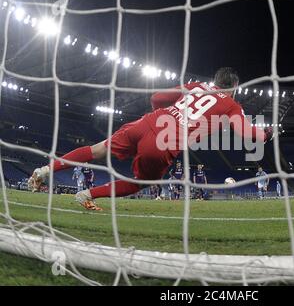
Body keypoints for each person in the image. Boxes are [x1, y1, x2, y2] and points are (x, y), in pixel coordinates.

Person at [28, 67, 273, 210]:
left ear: (216, 80)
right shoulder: (231, 105)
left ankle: (44, 170)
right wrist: (267, 134)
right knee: (140, 183)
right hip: (164, 141)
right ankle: (88, 195)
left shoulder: (197, 85)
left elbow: (157, 97)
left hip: (148, 121)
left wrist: (170, 112)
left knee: (97, 149)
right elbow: (248, 134)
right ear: (235, 87)